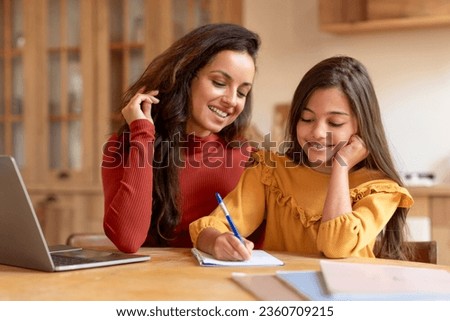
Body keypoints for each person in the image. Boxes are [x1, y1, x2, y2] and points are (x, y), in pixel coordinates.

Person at [189, 55, 414, 262]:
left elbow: (336, 246)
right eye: (307, 119)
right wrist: (216, 241)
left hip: (349, 301)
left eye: (334, 123)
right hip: (283, 298)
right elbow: (213, 226)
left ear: (361, 126)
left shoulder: (380, 189)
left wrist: (340, 167)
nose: (317, 132)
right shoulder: (270, 172)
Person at [102, 23, 261, 253]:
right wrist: (143, 133)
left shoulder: (249, 158)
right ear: (186, 76)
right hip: (149, 285)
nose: (232, 100)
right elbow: (127, 239)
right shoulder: (125, 146)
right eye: (219, 83)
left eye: (242, 92)